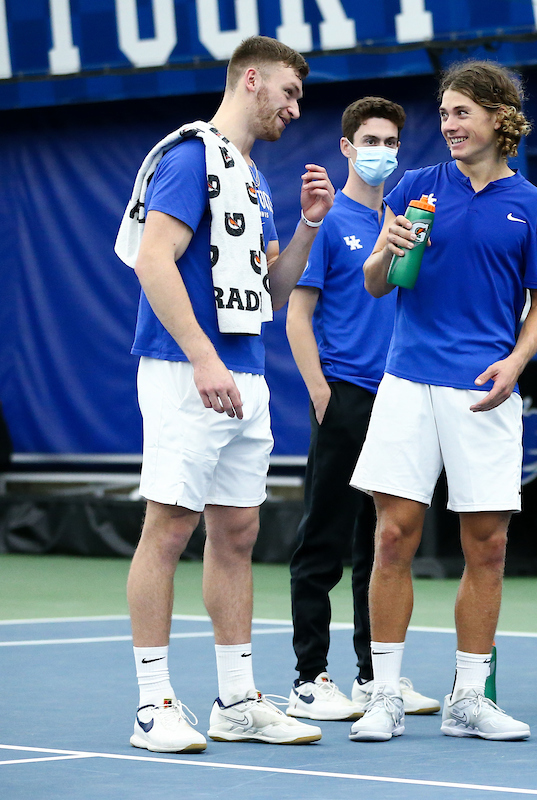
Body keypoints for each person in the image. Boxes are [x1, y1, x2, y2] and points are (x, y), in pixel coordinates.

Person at [117, 35, 333, 753]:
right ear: (251, 80)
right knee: (168, 528)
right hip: (187, 371)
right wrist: (203, 358)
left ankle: (237, 700)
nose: (295, 109)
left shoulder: (252, 178)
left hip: (246, 374)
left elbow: (273, 289)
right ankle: (153, 706)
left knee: (237, 533)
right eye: (289, 93)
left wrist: (308, 226)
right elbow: (154, 261)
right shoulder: (189, 158)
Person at [348, 60, 537, 743]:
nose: (449, 124)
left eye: (462, 112)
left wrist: (517, 363)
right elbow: (376, 284)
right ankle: (383, 693)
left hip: (484, 390)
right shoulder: (414, 186)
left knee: (488, 545)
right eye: (444, 113)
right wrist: (384, 250)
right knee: (392, 535)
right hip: (407, 381)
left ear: (500, 117)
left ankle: (468, 699)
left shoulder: (533, 205)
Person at [284, 97, 439, 723]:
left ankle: (376, 678)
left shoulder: (404, 221)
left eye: (391, 142)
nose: (382, 152)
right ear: (347, 147)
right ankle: (309, 678)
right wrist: (320, 391)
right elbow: (297, 315)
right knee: (323, 536)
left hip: (397, 396)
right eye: (370, 140)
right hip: (344, 394)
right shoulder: (329, 221)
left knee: (382, 544)